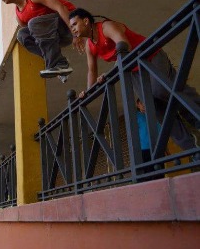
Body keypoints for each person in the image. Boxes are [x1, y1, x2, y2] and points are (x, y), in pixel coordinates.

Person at [69, 8, 199, 151]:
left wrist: (111, 73)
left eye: (74, 24)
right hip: (133, 70)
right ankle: (190, 146)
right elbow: (92, 70)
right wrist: (88, 93)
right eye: (71, 27)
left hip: (150, 56)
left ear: (86, 21)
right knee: (153, 107)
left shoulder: (106, 27)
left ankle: (196, 116)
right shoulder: (90, 45)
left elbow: (125, 46)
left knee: (161, 90)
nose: (73, 29)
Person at [0, 0, 84, 78]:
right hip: (56, 37)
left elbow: (60, 7)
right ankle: (58, 63)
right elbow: (38, 37)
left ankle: (57, 63)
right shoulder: (19, 16)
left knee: (33, 23)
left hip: (69, 24)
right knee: (22, 34)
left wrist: (75, 33)